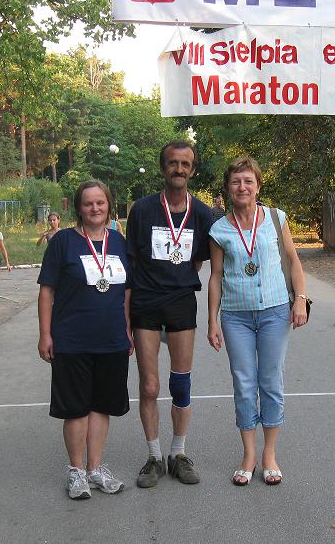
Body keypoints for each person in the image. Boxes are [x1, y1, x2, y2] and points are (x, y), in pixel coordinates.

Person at [206, 156, 309, 486]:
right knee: (244, 382)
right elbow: (216, 276)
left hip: (275, 312)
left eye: (248, 181)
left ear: (258, 186)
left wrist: (301, 299)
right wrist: (212, 321)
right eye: (236, 181)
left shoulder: (276, 219)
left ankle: (269, 454)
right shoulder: (219, 229)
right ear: (228, 188)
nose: (242, 187)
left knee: (271, 381)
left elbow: (292, 259)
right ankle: (249, 454)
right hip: (235, 316)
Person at [37, 180, 133, 500]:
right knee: (76, 408)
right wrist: (45, 334)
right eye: (89, 203)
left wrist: (127, 330)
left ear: (109, 205)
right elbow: (47, 291)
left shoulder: (118, 242)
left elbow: (126, 292)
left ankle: (96, 468)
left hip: (111, 339)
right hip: (72, 339)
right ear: (79, 207)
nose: (95, 208)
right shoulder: (63, 242)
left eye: (100, 202)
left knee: (102, 406)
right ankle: (76, 471)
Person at [126, 139, 213, 488]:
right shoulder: (143, 210)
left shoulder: (202, 213)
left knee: (180, 384)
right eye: (173, 163)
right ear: (163, 168)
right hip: (146, 301)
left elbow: (199, 260)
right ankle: (153, 457)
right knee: (149, 385)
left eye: (185, 164)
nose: (179, 169)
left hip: (180, 302)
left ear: (192, 170)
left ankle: (178, 454)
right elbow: (132, 261)